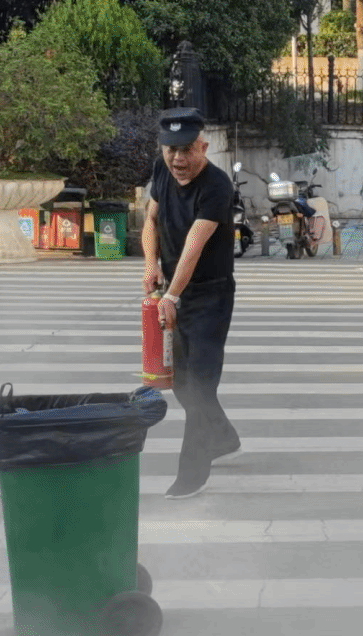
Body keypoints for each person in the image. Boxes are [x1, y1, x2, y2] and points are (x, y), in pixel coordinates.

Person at [142, 107, 242, 500]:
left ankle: (192, 475)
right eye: (171, 150)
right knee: (182, 384)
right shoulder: (161, 170)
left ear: (203, 145)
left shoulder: (217, 186)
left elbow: (194, 245)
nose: (178, 159)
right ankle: (224, 437)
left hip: (210, 297)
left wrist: (171, 295)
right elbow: (151, 220)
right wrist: (151, 265)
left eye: (186, 149)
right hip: (175, 293)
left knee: (199, 385)